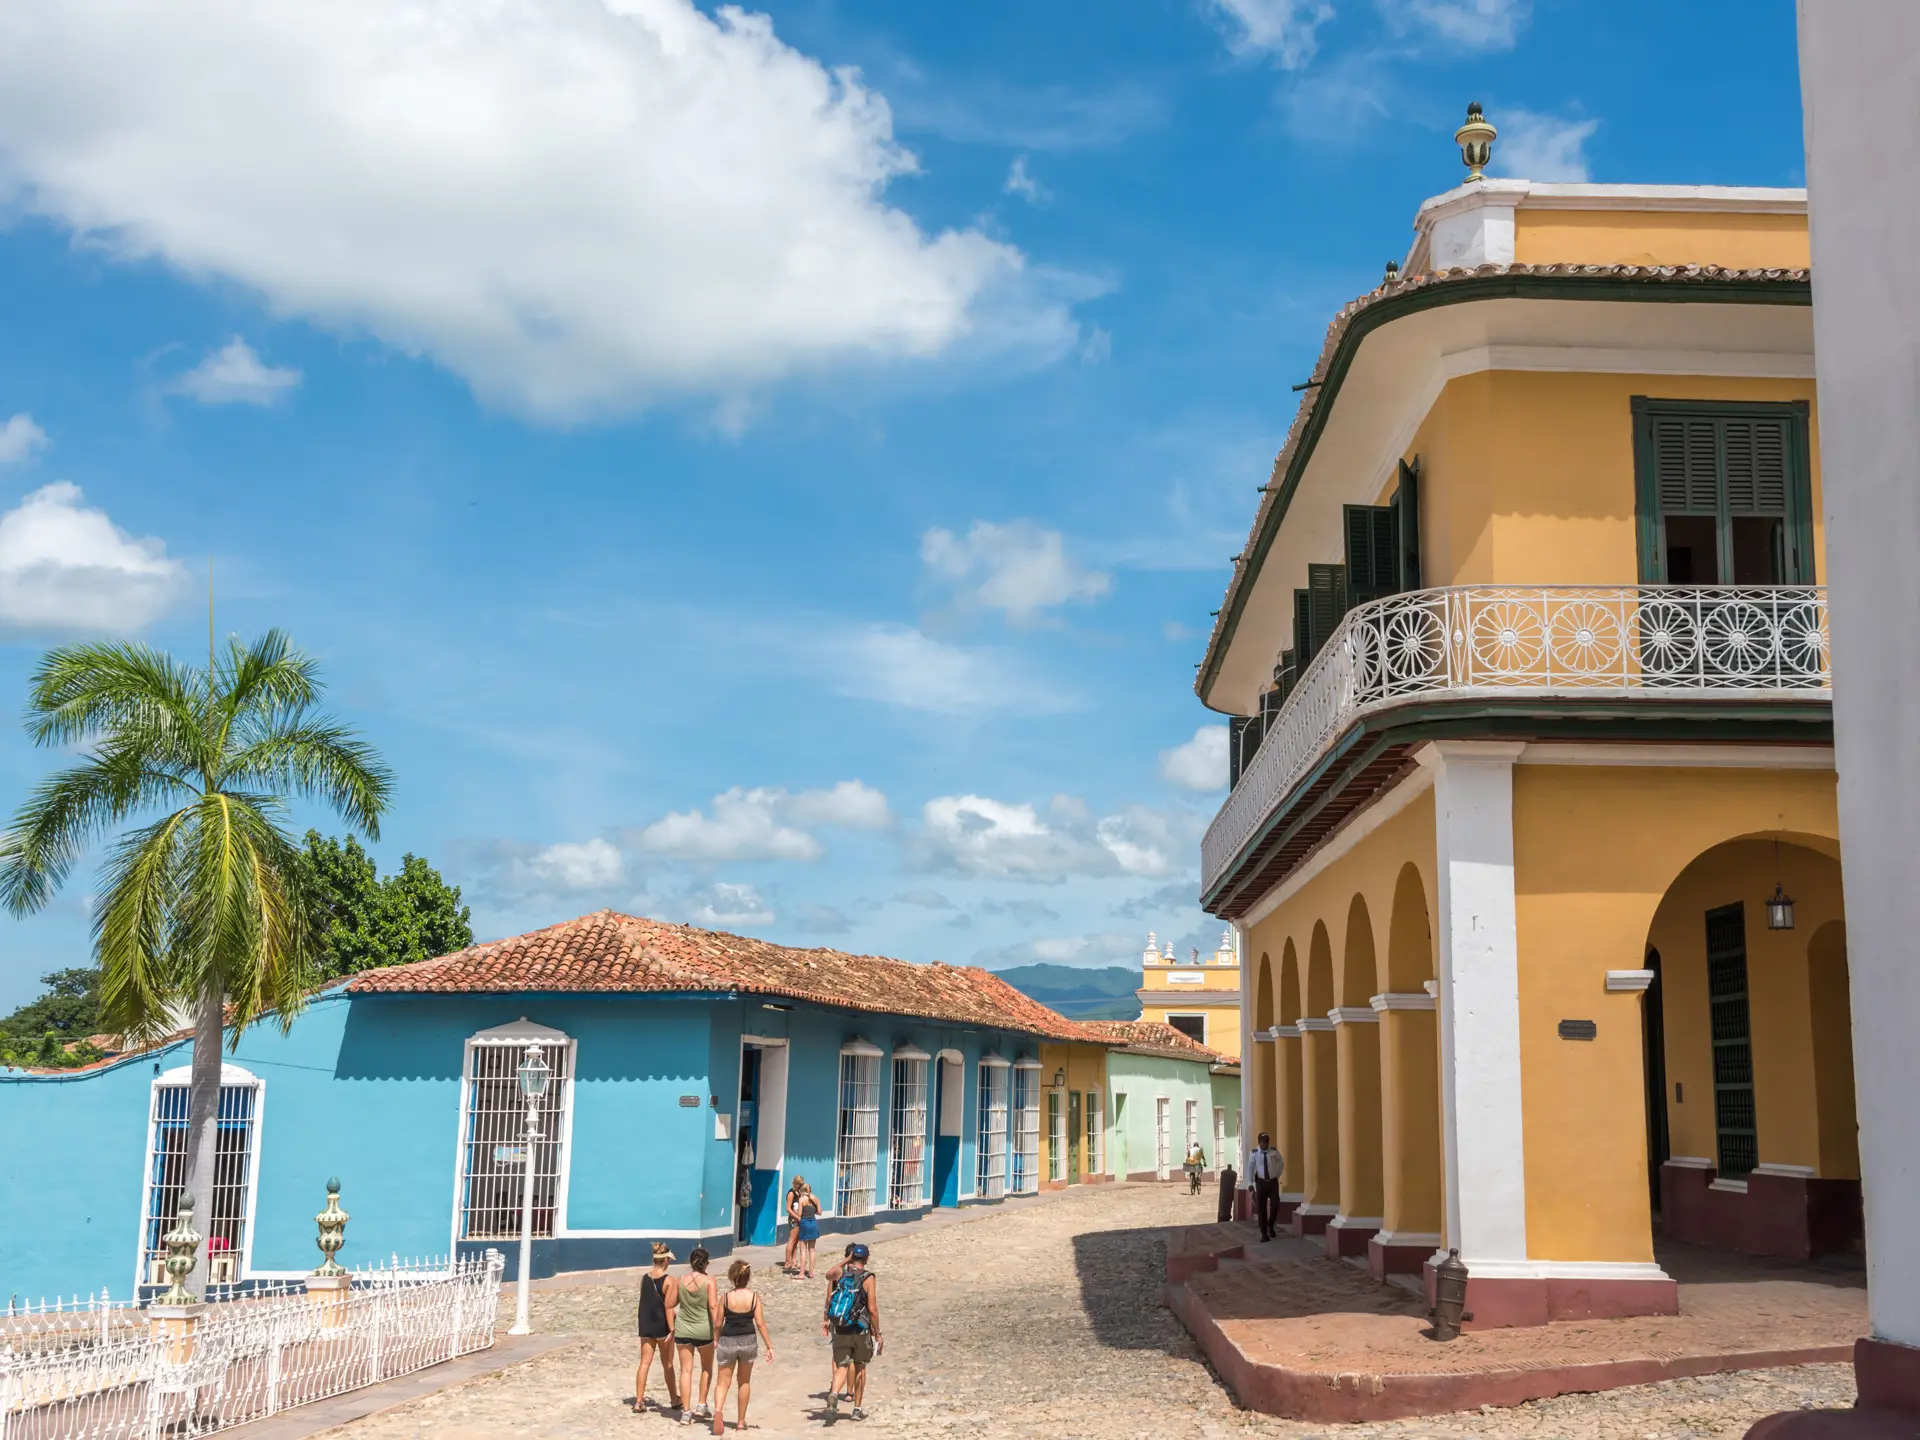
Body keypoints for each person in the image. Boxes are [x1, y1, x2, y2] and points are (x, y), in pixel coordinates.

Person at [709, 1260, 774, 1435]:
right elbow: (760, 1324)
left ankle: (718, 1411)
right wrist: (769, 1346)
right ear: (747, 1277)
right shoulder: (754, 1297)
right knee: (744, 1381)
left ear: (732, 1277)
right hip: (748, 1341)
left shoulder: (726, 1298)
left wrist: (716, 1339)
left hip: (728, 1340)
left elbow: (718, 1323)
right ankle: (740, 1421)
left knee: (723, 1381)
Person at [820, 1242, 881, 1420]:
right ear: (867, 1259)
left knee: (842, 1366)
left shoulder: (840, 1274)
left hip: (841, 1328)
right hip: (860, 1329)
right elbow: (872, 1309)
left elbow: (827, 1275)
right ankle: (857, 1409)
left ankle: (834, 1393)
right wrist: (877, 1333)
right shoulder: (868, 1277)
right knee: (860, 1365)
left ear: (852, 1257)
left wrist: (844, 1260)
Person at [670, 1246, 719, 1425]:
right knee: (706, 1367)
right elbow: (713, 1307)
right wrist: (718, 1330)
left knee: (685, 1370)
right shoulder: (710, 1282)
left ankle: (685, 1412)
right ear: (706, 1264)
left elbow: (670, 1303)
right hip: (703, 1330)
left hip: (683, 1329)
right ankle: (701, 1404)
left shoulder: (680, 1280)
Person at [635, 1242, 681, 1415]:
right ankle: (674, 1399)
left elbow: (644, 1300)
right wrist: (672, 1329)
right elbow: (669, 1307)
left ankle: (639, 1401)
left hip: (646, 1324)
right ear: (667, 1261)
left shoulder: (645, 1278)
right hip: (662, 1326)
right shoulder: (669, 1281)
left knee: (644, 1363)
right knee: (668, 1363)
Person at [1247, 1131, 1284, 1242]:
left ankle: (1270, 1224)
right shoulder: (1254, 1153)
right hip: (1261, 1183)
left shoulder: (1274, 1151)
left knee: (1275, 1204)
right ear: (1259, 1142)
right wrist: (1250, 1183)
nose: (1265, 1144)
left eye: (1267, 1142)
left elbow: (1281, 1162)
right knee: (1261, 1209)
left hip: (1272, 1182)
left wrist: (1277, 1175)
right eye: (1263, 1142)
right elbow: (1250, 1168)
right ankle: (1264, 1233)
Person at [794, 1182, 821, 1280]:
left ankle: (801, 1273)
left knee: (803, 1251)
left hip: (804, 1223)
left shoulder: (801, 1199)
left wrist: (796, 1211)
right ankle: (811, 1272)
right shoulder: (815, 1198)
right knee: (812, 1250)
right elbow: (819, 1212)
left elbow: (800, 1214)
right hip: (813, 1223)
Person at [783, 1176, 808, 1276]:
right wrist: (797, 1217)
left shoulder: (799, 1193)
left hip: (799, 1219)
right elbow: (788, 1208)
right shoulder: (791, 1193)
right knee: (792, 1240)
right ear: (796, 1183)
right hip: (794, 1219)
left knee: (796, 1241)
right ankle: (787, 1261)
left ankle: (793, 1261)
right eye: (800, 1184)